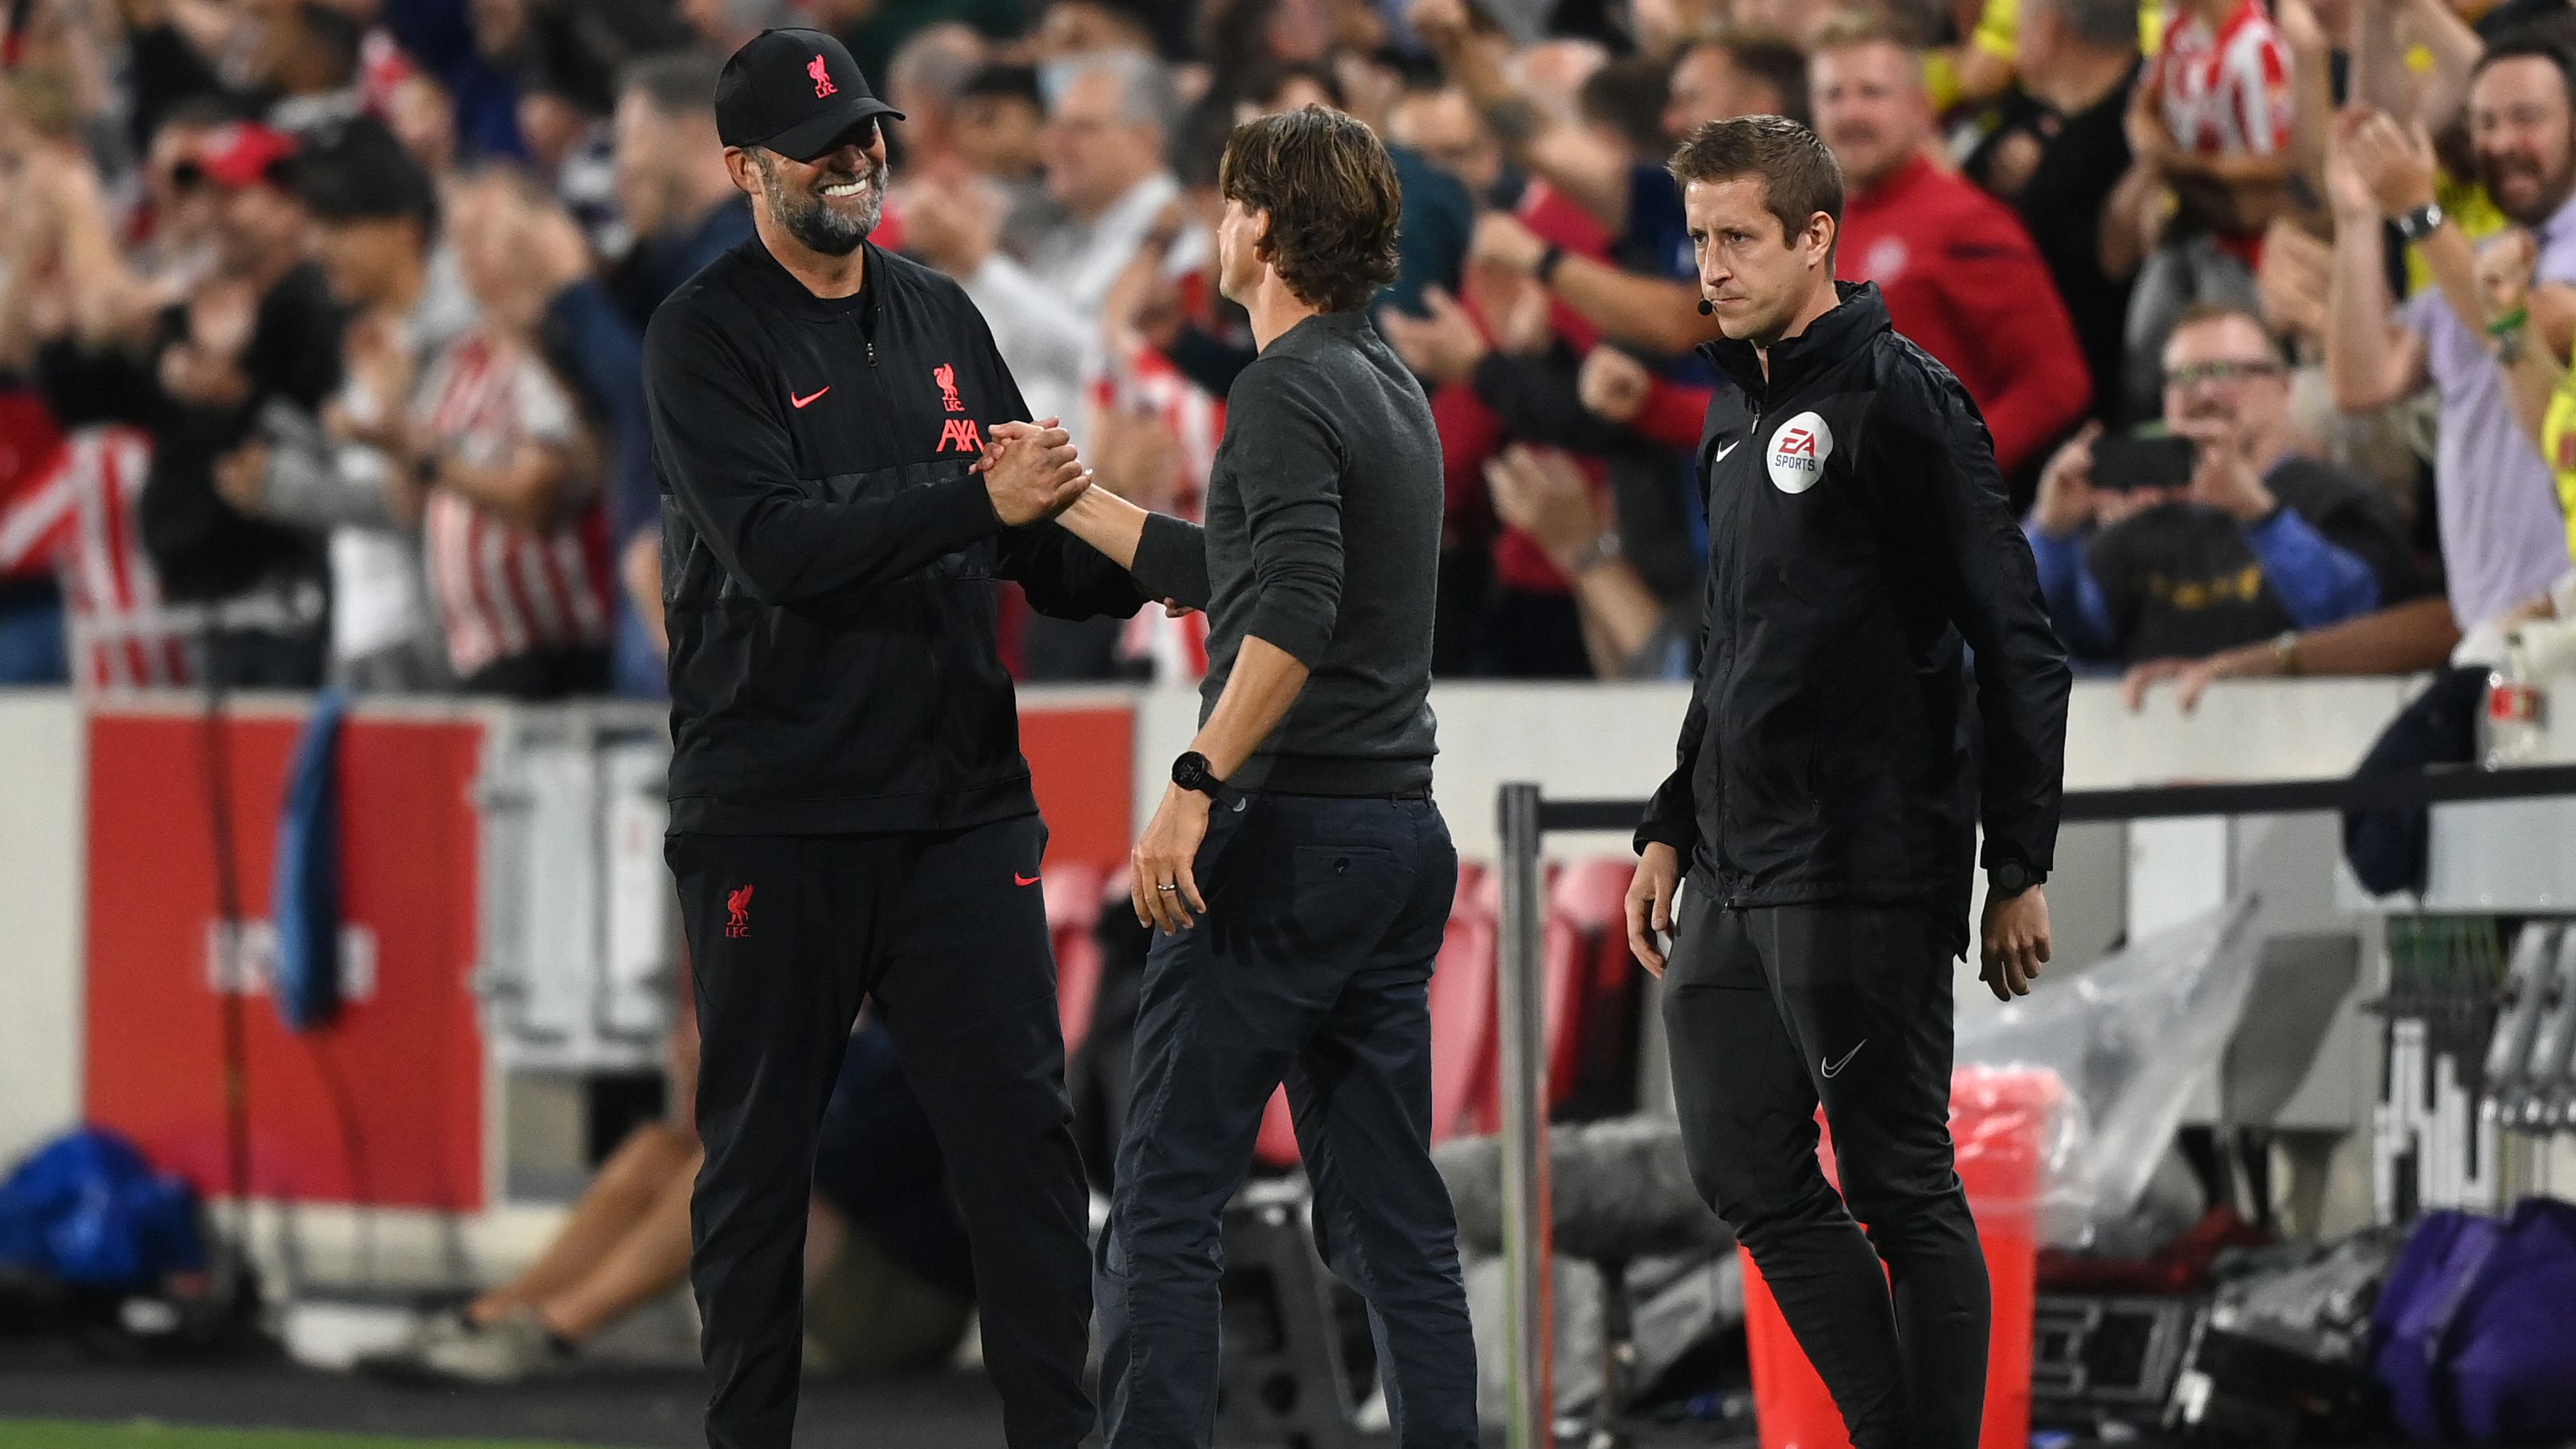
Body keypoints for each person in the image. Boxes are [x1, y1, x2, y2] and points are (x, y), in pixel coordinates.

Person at [640, 28, 1153, 1449]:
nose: (858, 159)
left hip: (957, 806)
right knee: (755, 1164)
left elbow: (1029, 544)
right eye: (823, 146)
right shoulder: (703, 333)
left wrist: (1154, 555)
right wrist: (978, 502)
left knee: (1026, 1155)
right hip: (775, 805)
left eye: (868, 133)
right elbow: (778, 548)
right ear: (745, 169)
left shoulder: (941, 312)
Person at [1624, 115, 2071, 1449]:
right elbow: (1730, 649)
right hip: (1733, 856)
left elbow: (2019, 643)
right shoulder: (1731, 408)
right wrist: (1666, 824)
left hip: (1865, 856)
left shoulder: (1903, 400)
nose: (1711, 266)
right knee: (1743, 1166)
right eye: (1698, 239)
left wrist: (2021, 862)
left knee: (1900, 1184)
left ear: (1817, 237)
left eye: (1739, 239)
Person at [1036, 104, 1478, 1448]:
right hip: (1395, 835)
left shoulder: (1281, 388)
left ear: (1265, 229)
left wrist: (1193, 776)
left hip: (1286, 835)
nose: (1217, 226)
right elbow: (1245, 572)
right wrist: (1068, 493)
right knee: (1394, 1217)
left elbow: (1286, 614)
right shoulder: (1383, 379)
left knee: (1164, 1194)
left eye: (1231, 203)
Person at [358, 1013, 974, 1386]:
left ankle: (549, 1334)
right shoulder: (854, 1034)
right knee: (659, 1149)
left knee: (729, 1172)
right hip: (841, 1266)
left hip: (904, 1308)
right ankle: (492, 1316)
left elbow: (815, 1155)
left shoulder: (921, 1040)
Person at [2322, 39, 2576, 661]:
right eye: (2484, 122)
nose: (2502, 141)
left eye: (2527, 117)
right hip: (2492, 629)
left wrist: (2417, 210)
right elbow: (2364, 382)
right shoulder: (2476, 252)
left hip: (2561, 625)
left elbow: (2520, 333)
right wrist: (2358, 219)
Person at [2026, 303, 2421, 668]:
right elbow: (2037, 647)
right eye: (2185, 377)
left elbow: (2356, 622)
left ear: (2283, 387)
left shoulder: (2341, 499)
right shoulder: (2140, 526)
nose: (2205, 392)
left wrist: (2259, 515)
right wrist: (2052, 533)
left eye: (2226, 372)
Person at [1809, 15, 2093, 487]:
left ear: (1922, 108)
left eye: (1872, 93)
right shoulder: (1813, 231)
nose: (1850, 113)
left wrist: (1950, 474)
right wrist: (1651, 402)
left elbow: (2056, 381)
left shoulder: (1967, 223)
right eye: (1833, 95)